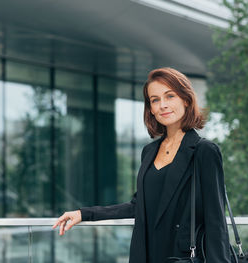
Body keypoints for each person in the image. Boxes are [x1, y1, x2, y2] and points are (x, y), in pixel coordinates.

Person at [52, 67, 231, 263]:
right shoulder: (149, 151)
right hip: (146, 255)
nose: (162, 105)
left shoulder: (204, 151)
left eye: (169, 96)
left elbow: (216, 222)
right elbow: (138, 206)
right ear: (151, 109)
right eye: (155, 100)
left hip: (183, 257)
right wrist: (84, 214)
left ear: (186, 99)